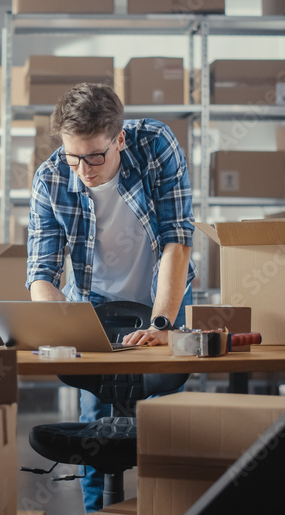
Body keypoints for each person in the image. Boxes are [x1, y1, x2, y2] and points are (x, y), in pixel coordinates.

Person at [25, 82, 196, 512]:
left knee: (166, 420)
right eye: (73, 155)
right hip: (94, 302)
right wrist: (55, 320)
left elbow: (177, 238)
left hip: (164, 294)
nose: (83, 169)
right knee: (96, 423)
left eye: (95, 155)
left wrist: (162, 325)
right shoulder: (49, 178)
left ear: (119, 138)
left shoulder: (155, 144)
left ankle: (166, 506)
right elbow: (41, 272)